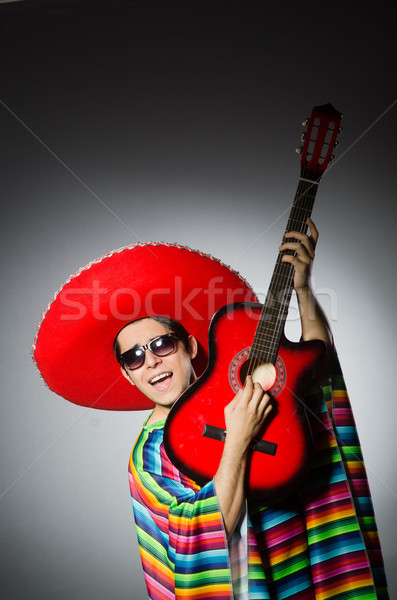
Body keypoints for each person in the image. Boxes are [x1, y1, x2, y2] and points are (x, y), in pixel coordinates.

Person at [33, 227, 389, 600]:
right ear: (126, 373)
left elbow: (312, 368)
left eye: (161, 344)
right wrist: (238, 439)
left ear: (189, 345)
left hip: (305, 574)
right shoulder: (150, 458)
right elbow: (202, 536)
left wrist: (302, 287)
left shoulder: (240, 397)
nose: (151, 361)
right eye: (134, 357)